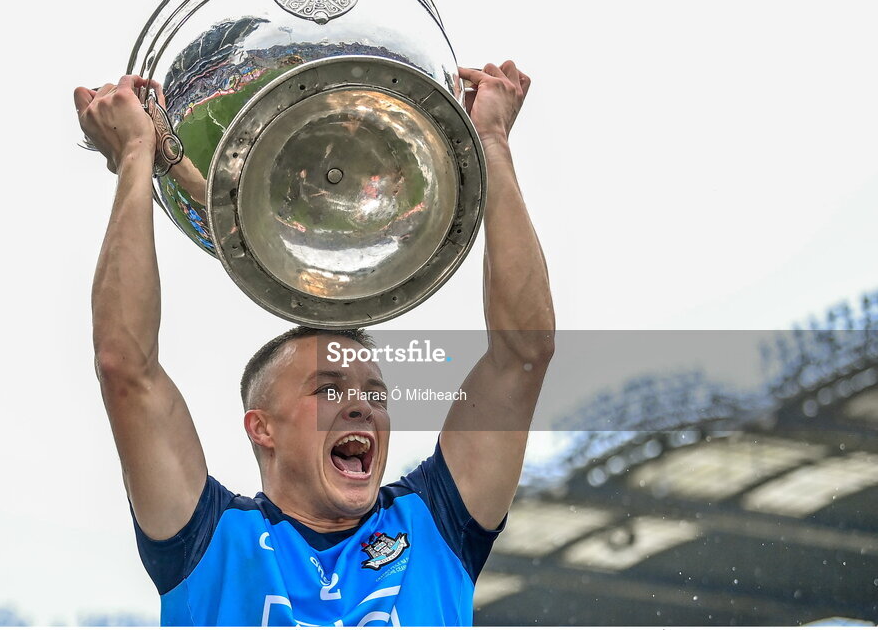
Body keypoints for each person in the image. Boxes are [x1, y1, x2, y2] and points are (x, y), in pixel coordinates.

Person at [72, 61, 555, 626]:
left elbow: (523, 352)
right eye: (329, 388)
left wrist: (491, 142)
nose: (361, 405)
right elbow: (125, 366)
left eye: (376, 393)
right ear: (262, 427)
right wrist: (135, 155)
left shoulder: (434, 526)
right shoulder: (210, 545)